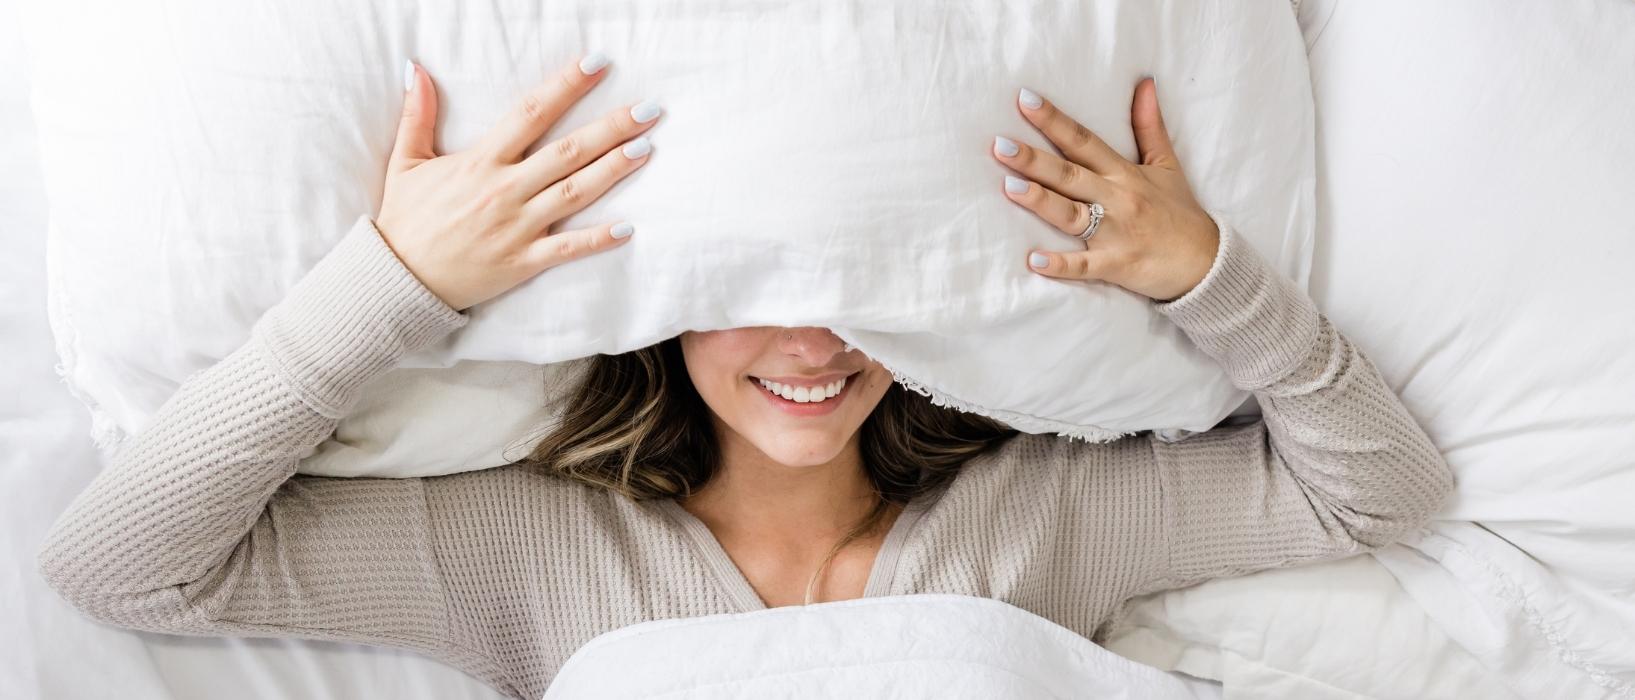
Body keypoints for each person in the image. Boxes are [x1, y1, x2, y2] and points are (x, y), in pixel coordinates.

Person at [36, 52, 1454, 700]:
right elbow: (120, 567)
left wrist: (1206, 277)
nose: (815, 348)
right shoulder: (525, 550)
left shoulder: (1041, 513)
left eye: (858, 305)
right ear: (671, 311)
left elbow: (1376, 499)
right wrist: (394, 285)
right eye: (759, 301)